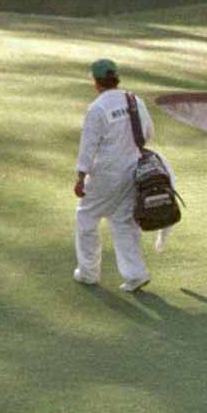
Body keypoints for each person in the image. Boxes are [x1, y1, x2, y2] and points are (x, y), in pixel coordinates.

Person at [73, 58, 151, 293]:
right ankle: (135, 274)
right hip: (135, 170)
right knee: (123, 220)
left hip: (107, 172)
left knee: (86, 216)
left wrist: (80, 177)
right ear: (116, 78)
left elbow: (88, 147)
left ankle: (87, 272)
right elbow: (148, 133)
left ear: (96, 82)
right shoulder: (134, 100)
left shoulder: (97, 108)